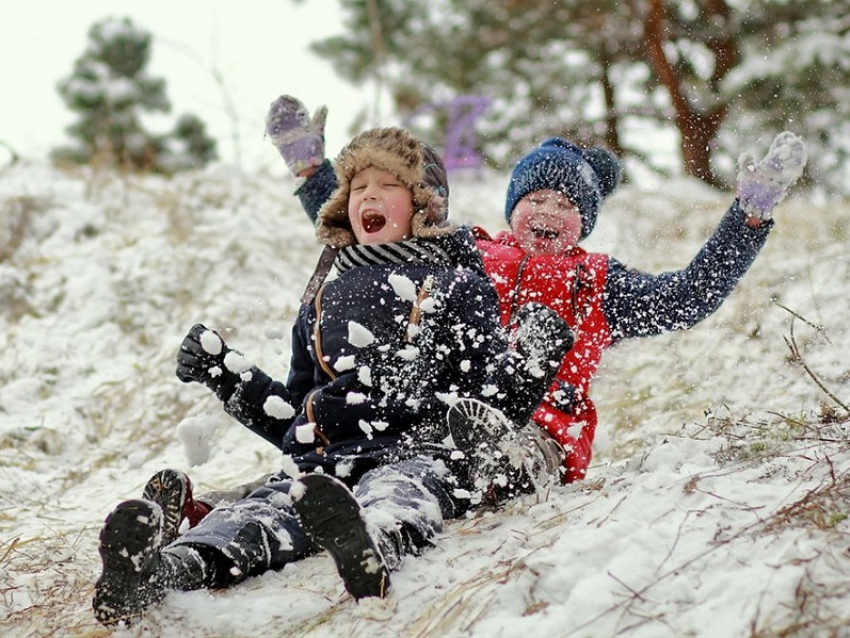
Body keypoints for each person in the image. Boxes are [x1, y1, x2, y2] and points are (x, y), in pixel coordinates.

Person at [92, 126, 574, 627]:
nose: (369, 194)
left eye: (389, 185)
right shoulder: (321, 300)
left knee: (398, 493)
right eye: (359, 187)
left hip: (416, 454)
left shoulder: (457, 286)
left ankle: (371, 549)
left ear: (424, 205)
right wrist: (229, 378)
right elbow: (293, 414)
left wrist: (531, 364)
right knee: (256, 514)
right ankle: (162, 572)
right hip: (322, 466)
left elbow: (486, 403)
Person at [265, 95, 808, 484]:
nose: (548, 212)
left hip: (543, 428)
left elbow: (689, 298)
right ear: (513, 206)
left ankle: (486, 467)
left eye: (566, 204)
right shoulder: (469, 253)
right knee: (413, 440)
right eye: (536, 199)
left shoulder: (598, 284)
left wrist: (749, 216)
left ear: (584, 222)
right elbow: (380, 239)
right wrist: (315, 173)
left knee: (500, 455)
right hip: (454, 410)